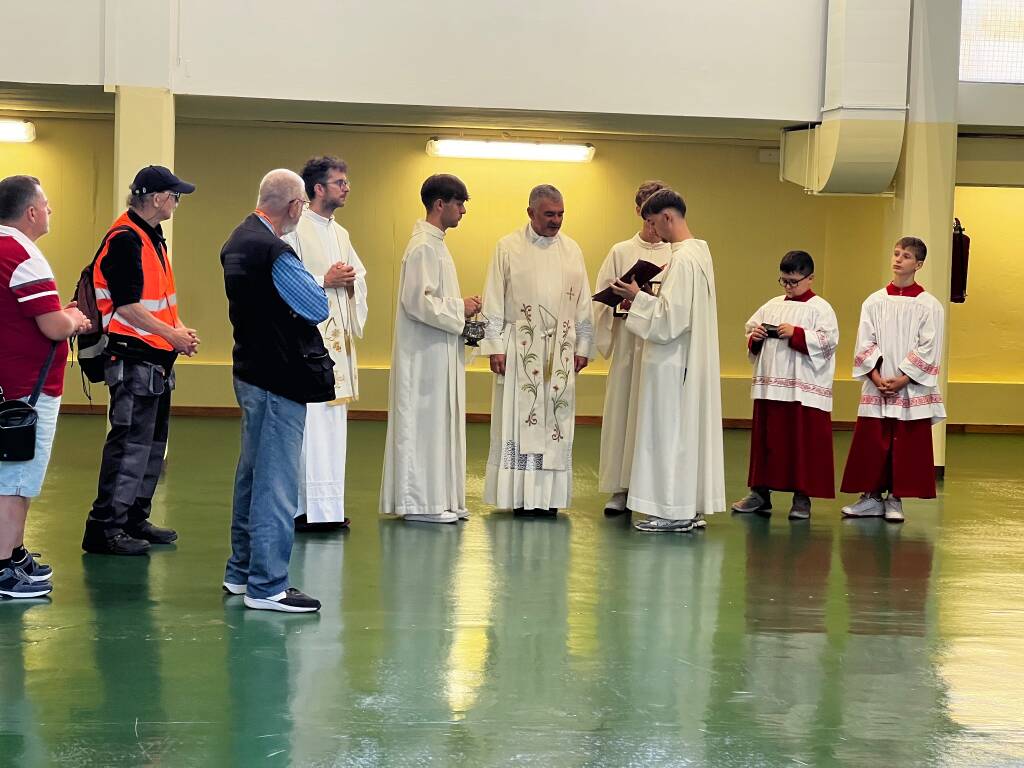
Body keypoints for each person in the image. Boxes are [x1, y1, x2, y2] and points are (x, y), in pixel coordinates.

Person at [221, 169, 334, 612]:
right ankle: (268, 584)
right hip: (278, 377)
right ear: (293, 206)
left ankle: (240, 571)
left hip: (250, 370)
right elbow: (315, 305)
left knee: (251, 474)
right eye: (302, 204)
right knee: (276, 482)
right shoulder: (273, 249)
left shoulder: (236, 240)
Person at [82, 166, 199, 556]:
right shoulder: (126, 240)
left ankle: (133, 518)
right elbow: (127, 306)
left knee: (150, 444)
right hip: (132, 357)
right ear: (158, 198)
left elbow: (160, 300)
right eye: (175, 196)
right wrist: (172, 335)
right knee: (130, 443)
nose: (177, 203)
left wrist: (178, 331)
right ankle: (105, 528)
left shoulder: (151, 237)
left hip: (154, 357)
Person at [610, 188, 724, 532]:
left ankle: (672, 510)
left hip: (672, 364)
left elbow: (670, 320)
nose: (653, 230)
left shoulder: (684, 260)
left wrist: (636, 297)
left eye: (653, 222)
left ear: (668, 217)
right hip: (684, 359)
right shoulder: (699, 253)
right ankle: (685, 506)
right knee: (680, 435)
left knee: (668, 434)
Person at [0, 176, 90, 598]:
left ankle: (14, 552)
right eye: (47, 204)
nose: (51, 210)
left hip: (10, 383)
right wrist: (73, 319)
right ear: (31, 212)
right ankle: (4, 566)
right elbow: (53, 326)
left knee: (15, 473)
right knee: (16, 478)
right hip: (26, 390)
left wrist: (59, 315)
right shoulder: (21, 254)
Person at [479, 185, 594, 516]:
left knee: (555, 422)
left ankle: (549, 498)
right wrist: (494, 346)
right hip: (521, 347)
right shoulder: (508, 247)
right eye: (549, 214)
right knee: (521, 420)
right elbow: (494, 297)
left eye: (560, 214)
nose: (556, 221)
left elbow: (583, 302)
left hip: (560, 349)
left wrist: (583, 345)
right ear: (530, 213)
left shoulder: (572, 250)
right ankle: (520, 496)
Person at [380, 174, 480, 524]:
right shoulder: (423, 246)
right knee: (423, 425)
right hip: (422, 356)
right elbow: (417, 302)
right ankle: (419, 503)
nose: (463, 211)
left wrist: (460, 308)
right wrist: (459, 307)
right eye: (459, 203)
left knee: (438, 424)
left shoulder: (436, 244)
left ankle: (441, 498)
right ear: (440, 204)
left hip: (438, 351)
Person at [284, 156, 367, 532]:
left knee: (333, 427)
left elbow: (358, 276)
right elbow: (285, 278)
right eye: (339, 182)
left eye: (346, 182)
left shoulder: (341, 234)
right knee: (310, 427)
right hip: (309, 345)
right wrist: (325, 279)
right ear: (318, 189)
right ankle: (303, 509)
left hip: (337, 348)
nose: (346, 188)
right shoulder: (294, 229)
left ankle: (328, 508)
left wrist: (351, 282)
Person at [839, 237, 945, 524]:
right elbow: (865, 341)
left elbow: (929, 347)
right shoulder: (874, 301)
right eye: (896, 253)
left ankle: (895, 498)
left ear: (918, 264)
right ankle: (871, 498)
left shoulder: (929, 305)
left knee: (904, 445)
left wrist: (902, 379)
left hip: (909, 386)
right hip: (878, 383)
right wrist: (876, 377)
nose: (898, 259)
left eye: (906, 256)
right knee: (873, 442)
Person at [731, 250, 839, 520]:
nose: (788, 287)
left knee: (801, 443)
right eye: (784, 281)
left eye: (794, 282)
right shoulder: (771, 305)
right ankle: (760, 493)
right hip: (771, 385)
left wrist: (797, 333)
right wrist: (755, 336)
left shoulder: (821, 309)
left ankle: (802, 497)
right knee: (767, 442)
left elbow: (828, 343)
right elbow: (750, 330)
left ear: (810, 278)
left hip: (803, 389)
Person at [593, 180, 670, 516]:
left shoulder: (676, 253)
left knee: (656, 415)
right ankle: (621, 488)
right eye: (646, 214)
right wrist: (620, 299)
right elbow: (600, 299)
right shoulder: (621, 251)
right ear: (638, 211)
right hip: (628, 342)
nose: (652, 223)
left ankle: (654, 491)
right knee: (623, 412)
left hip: (660, 344)